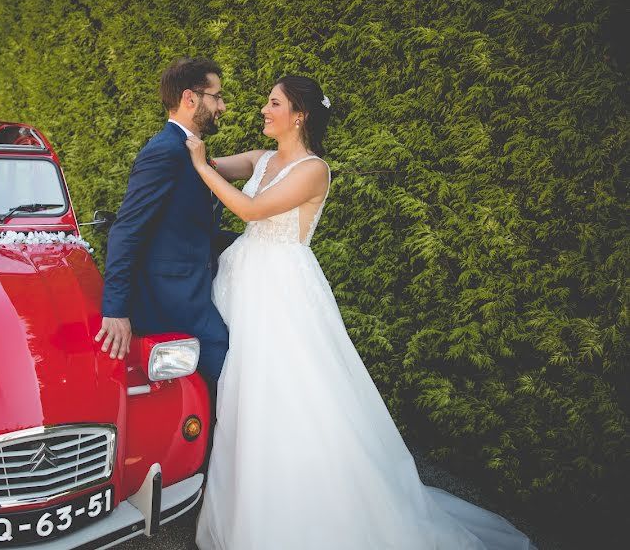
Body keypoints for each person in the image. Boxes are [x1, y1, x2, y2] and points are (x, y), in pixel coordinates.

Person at [188, 75, 536, 549]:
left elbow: (250, 210)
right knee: (241, 393)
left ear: (300, 115)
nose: (263, 111)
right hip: (240, 282)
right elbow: (211, 167)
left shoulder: (314, 170)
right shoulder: (261, 158)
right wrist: (190, 146)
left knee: (283, 394)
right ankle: (247, 502)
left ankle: (304, 512)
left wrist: (199, 165)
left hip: (280, 290)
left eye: (273, 103)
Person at [96, 57, 230, 386]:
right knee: (225, 366)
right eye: (216, 97)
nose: (222, 107)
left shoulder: (190, 150)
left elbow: (191, 228)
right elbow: (126, 229)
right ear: (190, 98)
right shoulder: (164, 152)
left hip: (195, 292)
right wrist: (115, 310)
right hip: (171, 300)